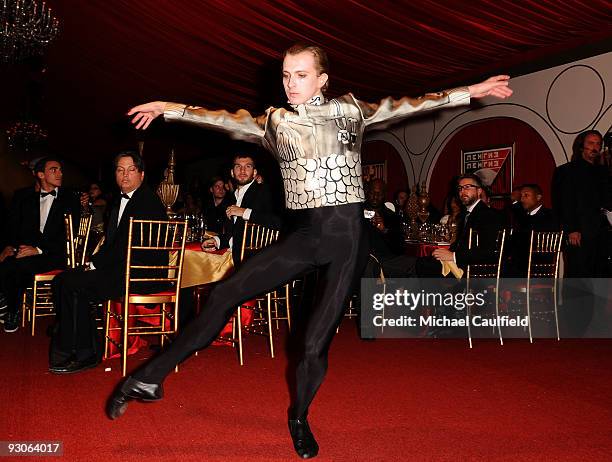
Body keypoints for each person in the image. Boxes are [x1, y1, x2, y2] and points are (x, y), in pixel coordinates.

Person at [106, 43, 512, 459]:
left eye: (300, 75)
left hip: (349, 242)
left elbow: (413, 104)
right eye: (285, 75)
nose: (290, 84)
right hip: (306, 236)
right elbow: (218, 118)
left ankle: (299, 417)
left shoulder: (352, 111)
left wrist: (470, 91)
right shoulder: (274, 122)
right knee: (224, 293)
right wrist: (169, 108)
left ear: (322, 79)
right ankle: (149, 378)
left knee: (314, 344)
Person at [49, 151, 167, 373]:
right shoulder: (118, 202)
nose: (125, 175)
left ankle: (85, 353)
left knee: (73, 284)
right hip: (122, 268)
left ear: (141, 174)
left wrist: (93, 264)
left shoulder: (147, 201)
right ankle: (71, 340)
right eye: (120, 170)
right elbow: (112, 244)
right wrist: (92, 263)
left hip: (140, 274)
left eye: (131, 170)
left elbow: (126, 245)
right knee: (63, 280)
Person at [0, 157, 83, 333]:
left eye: (60, 170)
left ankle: (12, 310)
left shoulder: (71, 199)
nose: (60, 173)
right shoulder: (28, 199)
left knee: (18, 266)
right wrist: (12, 246)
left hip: (57, 254)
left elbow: (69, 234)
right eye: (54, 170)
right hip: (30, 252)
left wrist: (38, 249)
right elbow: (15, 227)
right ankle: (9, 305)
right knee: (8, 262)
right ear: (40, 175)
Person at [201, 154, 282, 266]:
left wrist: (245, 212)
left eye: (248, 166)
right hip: (237, 260)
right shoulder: (233, 198)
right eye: (238, 166)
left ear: (254, 172)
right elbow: (235, 234)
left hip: (258, 262)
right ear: (232, 173)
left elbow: (278, 222)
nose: (242, 170)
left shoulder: (264, 191)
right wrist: (217, 241)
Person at [551, 130, 611, 277]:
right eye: (591, 143)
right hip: (579, 232)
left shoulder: (603, 171)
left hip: (602, 232)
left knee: (600, 274)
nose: (595, 147)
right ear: (580, 146)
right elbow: (564, 202)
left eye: (598, 144)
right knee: (579, 275)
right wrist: (572, 229)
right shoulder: (566, 171)